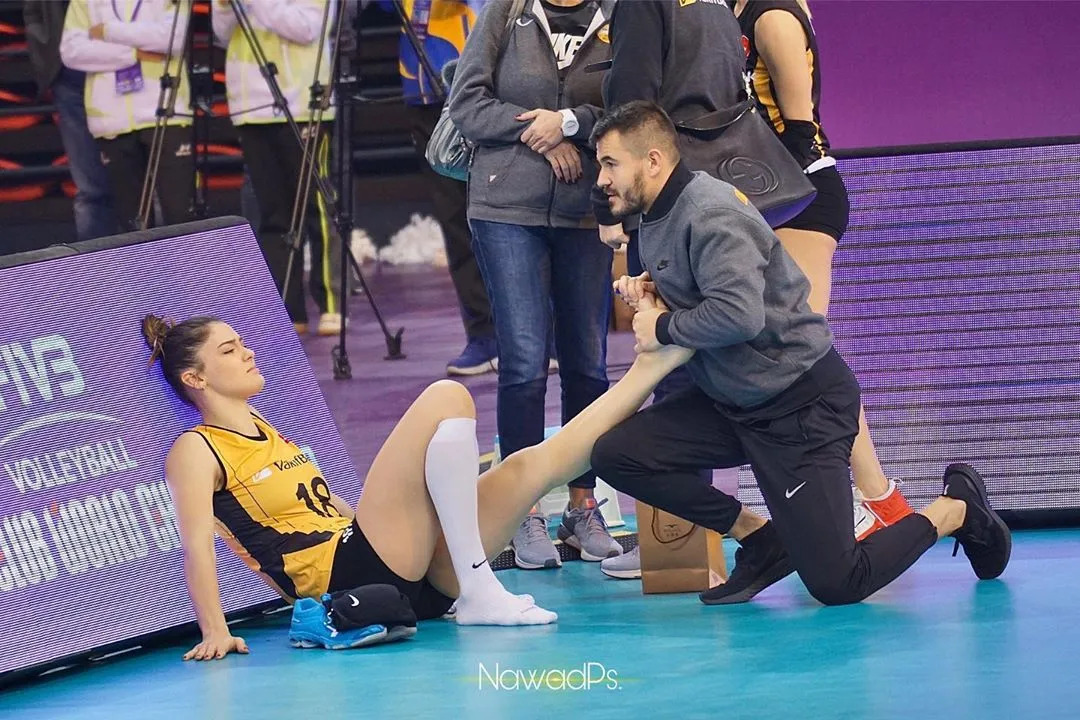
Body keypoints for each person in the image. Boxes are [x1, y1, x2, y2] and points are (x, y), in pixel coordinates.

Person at [589, 102, 1011, 606]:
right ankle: (759, 538)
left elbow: (740, 316)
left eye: (610, 164)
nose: (601, 179)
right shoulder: (657, 213)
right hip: (736, 405)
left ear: (653, 161)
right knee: (616, 455)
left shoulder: (709, 212)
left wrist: (662, 325)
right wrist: (654, 288)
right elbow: (710, 288)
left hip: (801, 408)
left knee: (837, 582)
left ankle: (954, 508)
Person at [143, 313, 693, 660]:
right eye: (228, 350)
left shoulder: (267, 428)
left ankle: (653, 366)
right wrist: (214, 630)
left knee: (531, 467)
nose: (247, 351)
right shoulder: (196, 449)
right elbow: (197, 546)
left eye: (242, 342)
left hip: (410, 581)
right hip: (346, 575)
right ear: (195, 378)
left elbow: (333, 508)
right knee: (445, 397)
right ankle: (478, 585)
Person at [449, 0, 622, 569]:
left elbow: (630, 106)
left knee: (587, 365)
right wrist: (539, 133)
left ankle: (582, 506)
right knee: (523, 364)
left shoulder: (618, 15)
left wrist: (569, 122)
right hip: (504, 210)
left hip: (585, 210)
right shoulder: (508, 10)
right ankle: (521, 512)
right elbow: (467, 104)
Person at [734, 0, 915, 540]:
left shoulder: (772, 17)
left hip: (802, 198)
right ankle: (877, 500)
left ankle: (877, 500)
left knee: (805, 355)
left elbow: (800, 129)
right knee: (798, 355)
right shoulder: (728, 11)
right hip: (768, 200)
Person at [588, 0, 749, 580]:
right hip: (724, 177)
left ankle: (677, 540)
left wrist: (609, 205)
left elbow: (630, 110)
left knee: (672, 365)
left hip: (668, 193)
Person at [212, 0, 342, 337]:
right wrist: (225, 9)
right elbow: (222, 34)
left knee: (316, 207)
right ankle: (289, 308)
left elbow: (307, 28)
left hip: (302, 103)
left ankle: (331, 302)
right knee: (273, 215)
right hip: (250, 107)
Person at [391, 0, 498, 376]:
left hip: (475, 83)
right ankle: (483, 334)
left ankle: (539, 336)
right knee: (454, 222)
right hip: (422, 93)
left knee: (507, 212)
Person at [59, 0, 194, 232]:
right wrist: (134, 53)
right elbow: (72, 51)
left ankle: (187, 259)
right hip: (112, 118)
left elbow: (173, 37)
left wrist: (108, 32)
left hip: (167, 111)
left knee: (181, 218)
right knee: (132, 226)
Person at [24, 0, 118, 241]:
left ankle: (155, 260)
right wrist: (47, 56)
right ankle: (96, 262)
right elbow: (34, 9)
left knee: (141, 181)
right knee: (91, 189)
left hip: (126, 67)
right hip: (69, 74)